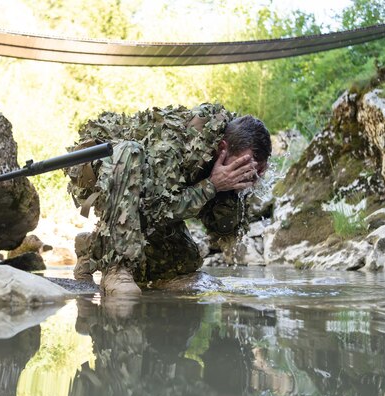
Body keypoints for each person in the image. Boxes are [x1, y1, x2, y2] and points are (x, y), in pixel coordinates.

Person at [66, 103, 271, 295]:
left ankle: (92, 247)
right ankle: (116, 268)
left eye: (252, 171)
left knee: (183, 265)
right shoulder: (174, 145)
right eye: (241, 167)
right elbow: (153, 211)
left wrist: (240, 190)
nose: (244, 174)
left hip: (145, 199)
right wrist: (212, 185)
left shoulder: (226, 157)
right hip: (104, 169)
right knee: (129, 151)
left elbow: (222, 229)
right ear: (223, 148)